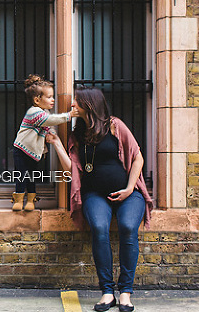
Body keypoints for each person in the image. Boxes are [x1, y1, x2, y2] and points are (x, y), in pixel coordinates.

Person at [52, 87, 153, 312]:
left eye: (76, 101)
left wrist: (129, 188)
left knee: (128, 227)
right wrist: (57, 144)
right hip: (95, 194)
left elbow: (138, 158)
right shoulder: (78, 134)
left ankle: (125, 292)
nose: (72, 105)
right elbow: (73, 170)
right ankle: (107, 292)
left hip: (129, 194)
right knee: (99, 228)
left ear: (89, 104)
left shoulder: (115, 126)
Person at [11, 75, 76, 212]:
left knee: (31, 176)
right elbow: (48, 121)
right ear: (37, 100)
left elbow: (48, 127)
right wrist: (68, 115)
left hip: (32, 151)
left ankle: (30, 199)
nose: (53, 100)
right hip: (21, 150)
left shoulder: (44, 112)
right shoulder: (34, 112)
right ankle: (18, 200)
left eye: (53, 96)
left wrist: (51, 136)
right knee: (21, 175)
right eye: (49, 97)